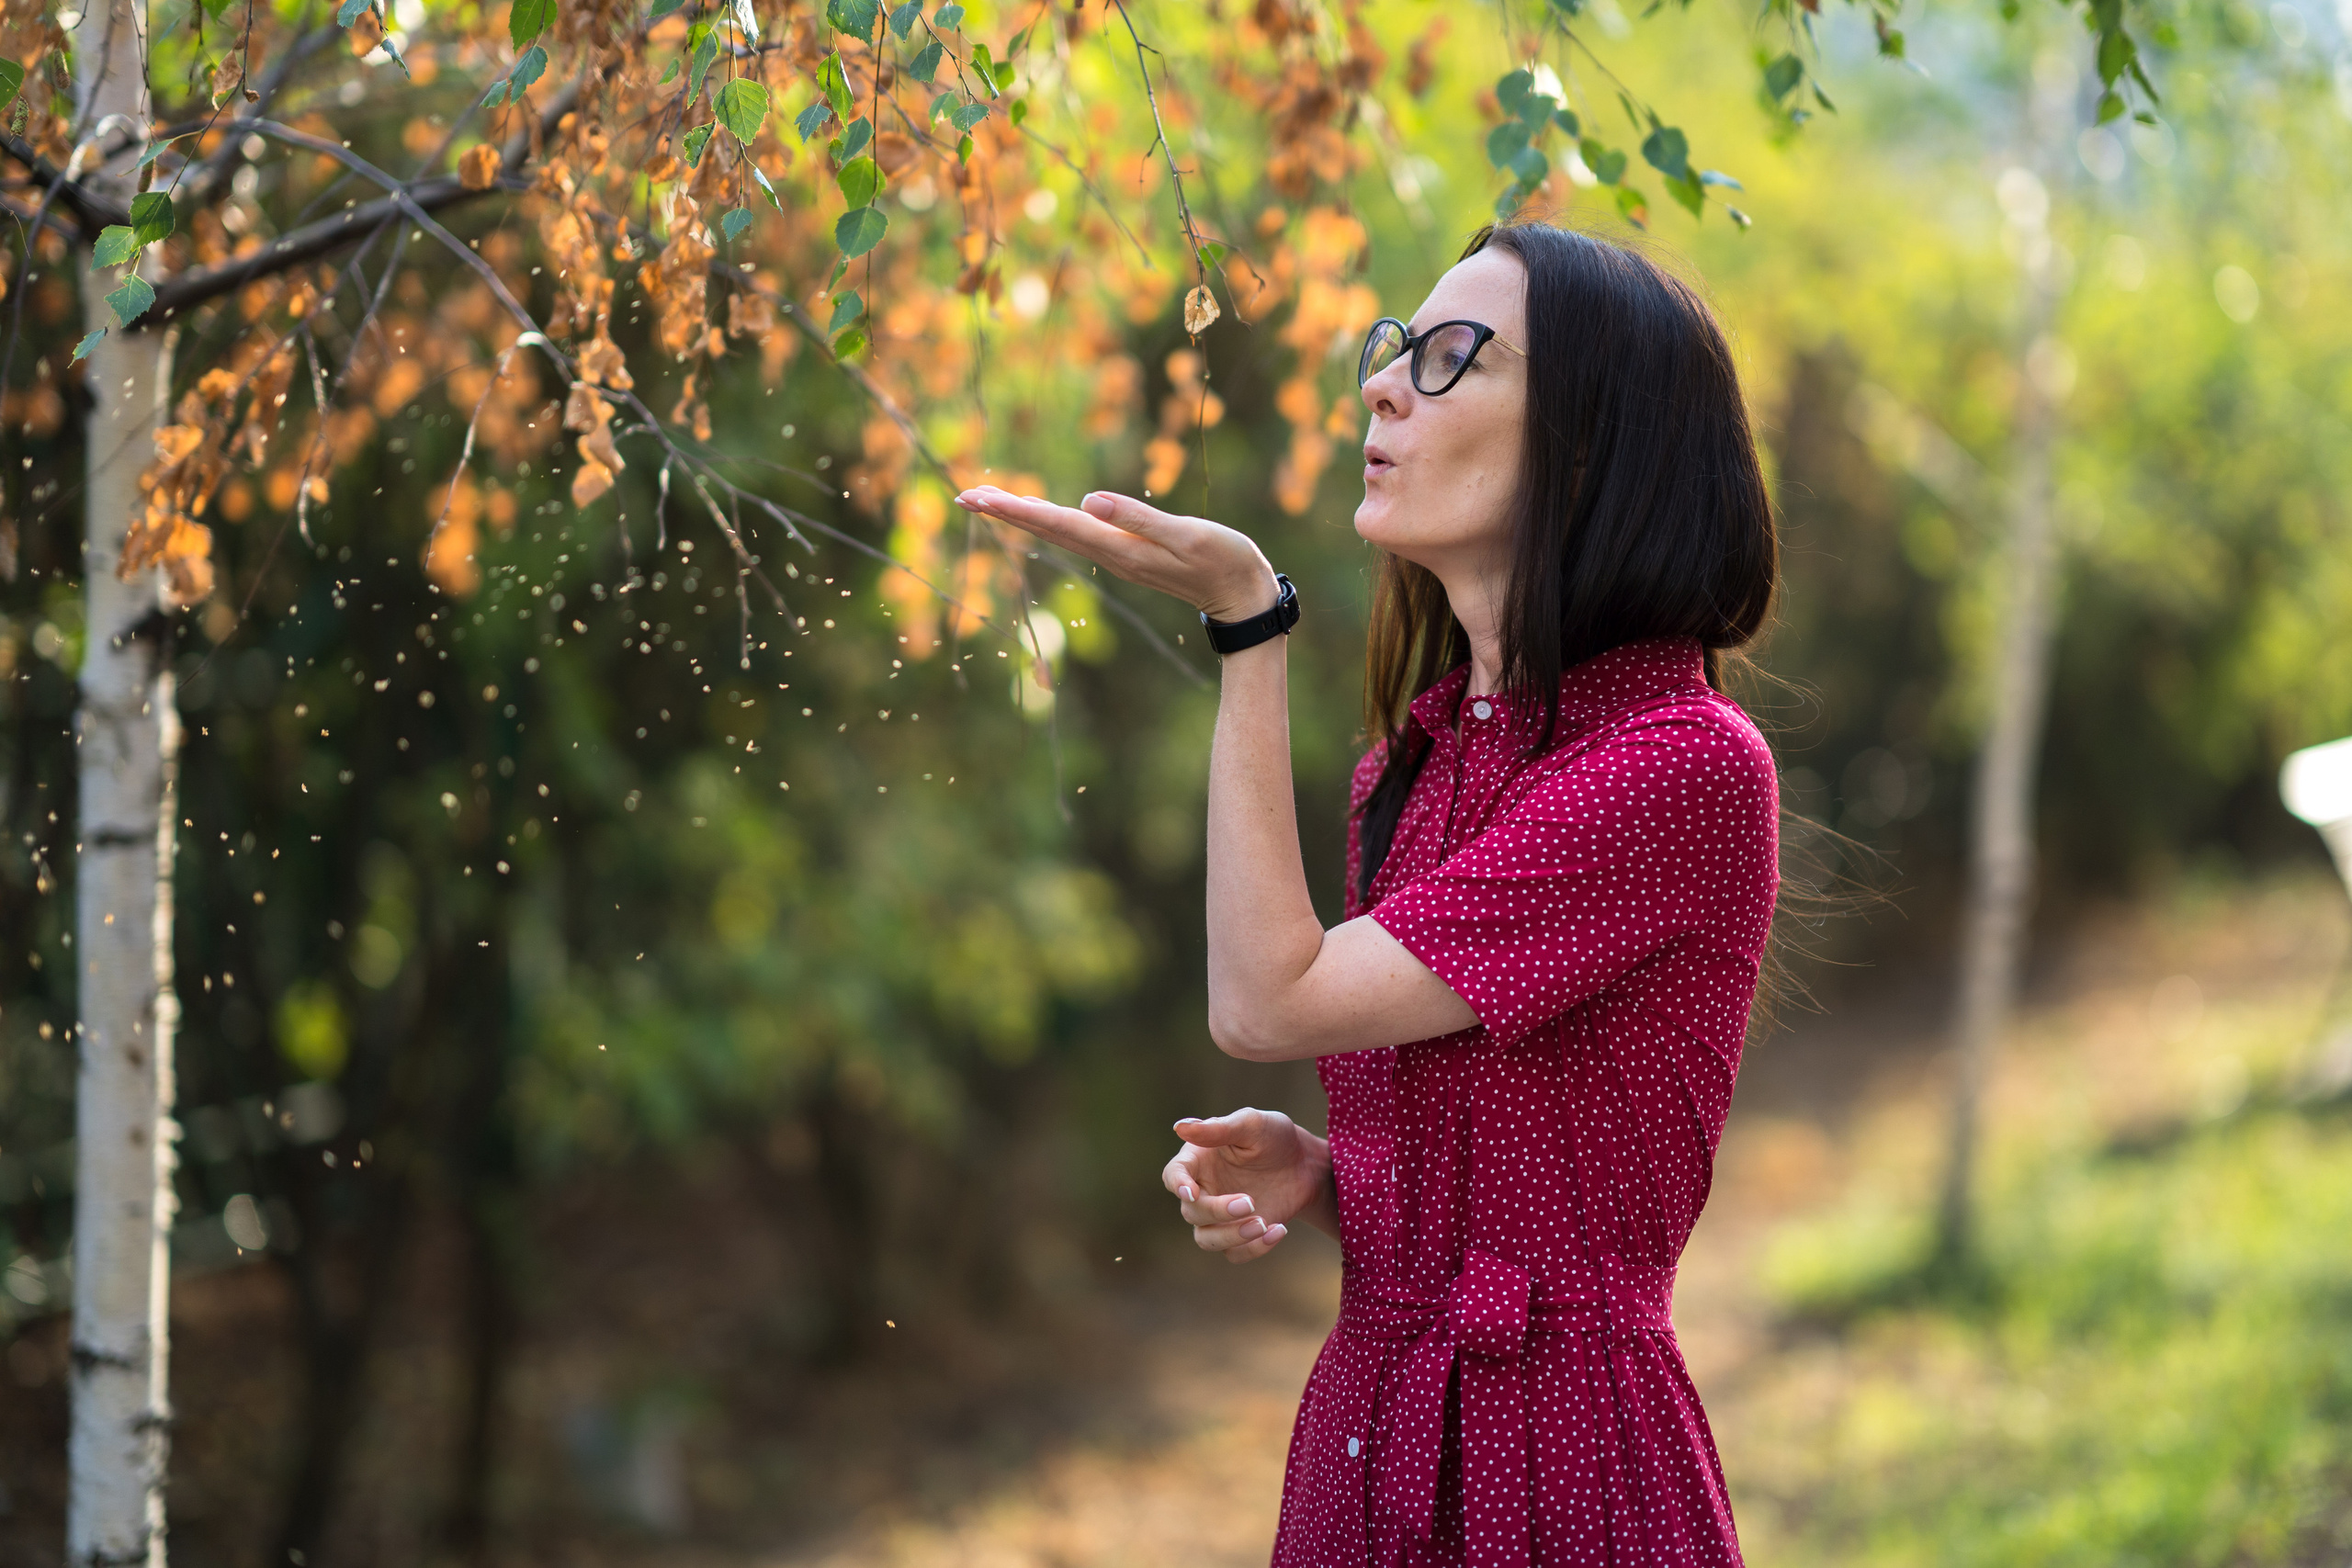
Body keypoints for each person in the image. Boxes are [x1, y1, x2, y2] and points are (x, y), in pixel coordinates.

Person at [954, 220, 1780, 1568]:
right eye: (1396, 347)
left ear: (1588, 443)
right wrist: (1335, 1179)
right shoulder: (1414, 767)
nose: (1386, 384)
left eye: (1455, 356)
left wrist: (1246, 622)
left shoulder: (1679, 768)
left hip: (1568, 1467)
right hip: (1370, 1438)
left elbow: (1264, 1001)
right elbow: (1481, 1138)